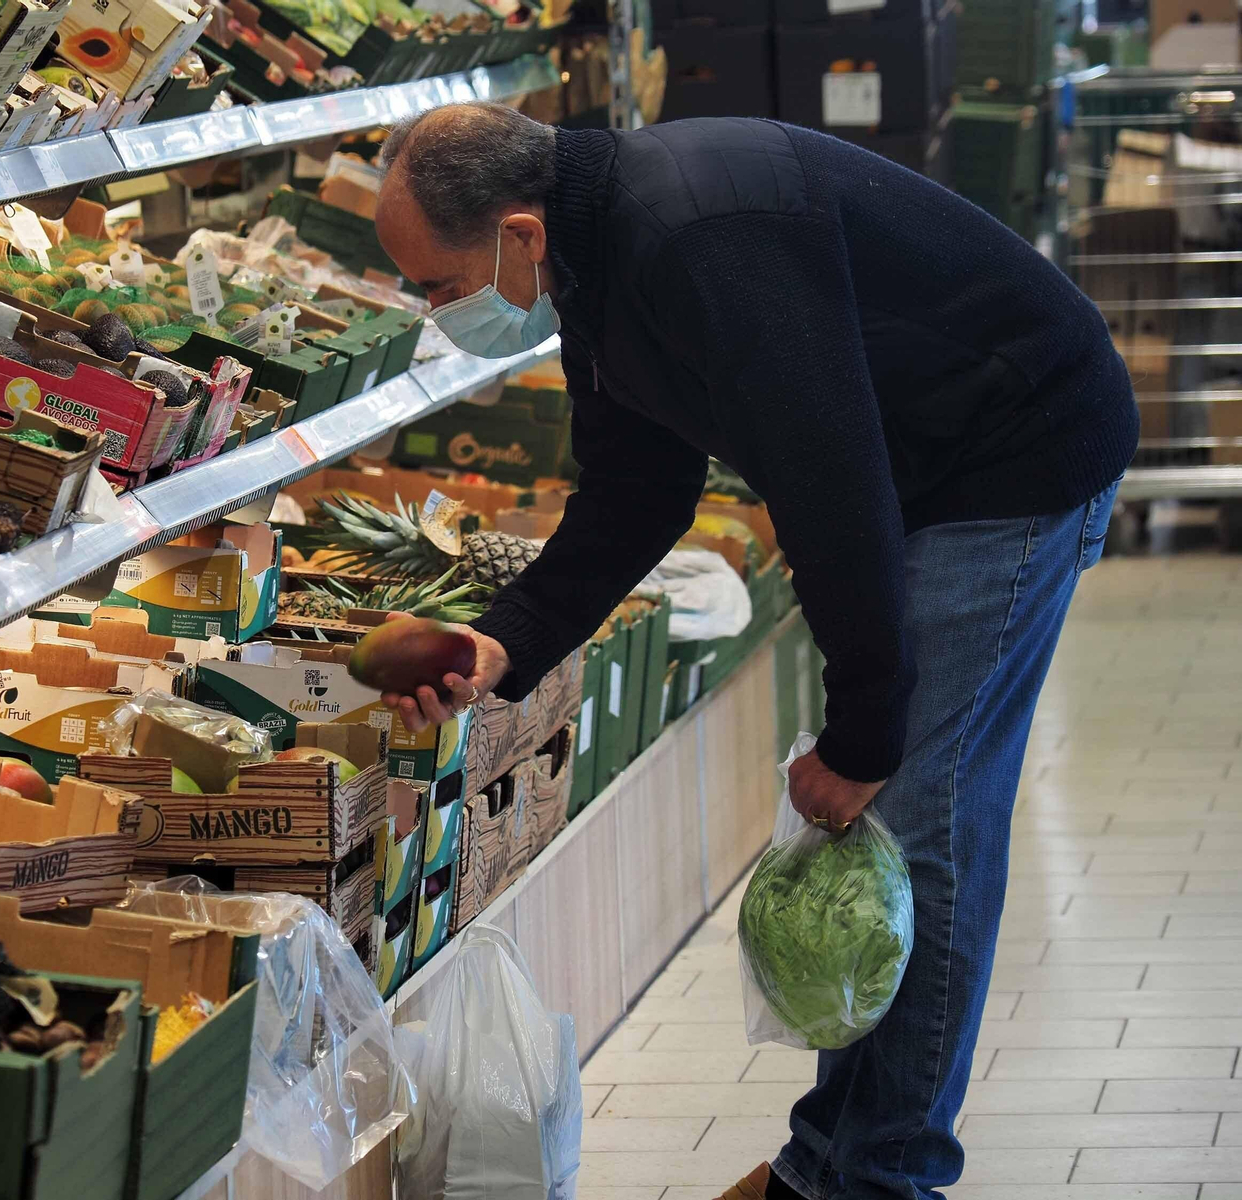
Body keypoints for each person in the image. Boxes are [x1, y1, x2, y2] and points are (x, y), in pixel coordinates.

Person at [369, 103, 1138, 1200]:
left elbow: (829, 488)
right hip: (919, 464)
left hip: (1008, 456)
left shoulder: (700, 240)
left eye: (439, 285)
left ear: (519, 234)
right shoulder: (598, 259)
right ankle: (831, 1161)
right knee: (888, 830)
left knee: (920, 823)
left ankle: (874, 1177)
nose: (436, 310)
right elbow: (638, 490)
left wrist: (866, 728)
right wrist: (502, 643)